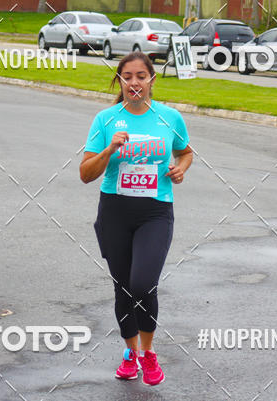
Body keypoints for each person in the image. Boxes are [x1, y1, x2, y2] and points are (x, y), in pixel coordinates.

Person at [79, 52, 193, 386]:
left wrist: (180, 169)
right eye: (127, 76)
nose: (134, 83)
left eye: (141, 76)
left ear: (151, 80)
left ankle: (148, 352)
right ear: (119, 81)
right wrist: (108, 150)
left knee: (143, 284)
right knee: (123, 289)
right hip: (115, 210)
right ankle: (130, 353)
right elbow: (85, 174)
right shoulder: (106, 119)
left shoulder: (169, 117)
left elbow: (186, 152)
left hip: (155, 212)